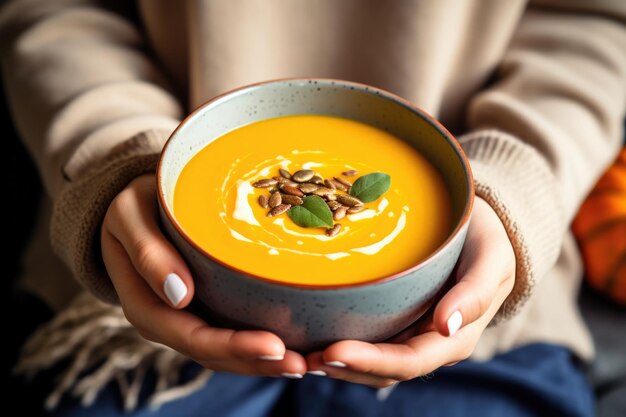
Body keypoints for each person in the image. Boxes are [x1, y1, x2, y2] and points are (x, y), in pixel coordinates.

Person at [1, 0, 625, 416]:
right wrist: (119, 155)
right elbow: (54, 11)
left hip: (475, 306)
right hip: (136, 305)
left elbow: (595, 20)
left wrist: (512, 181)